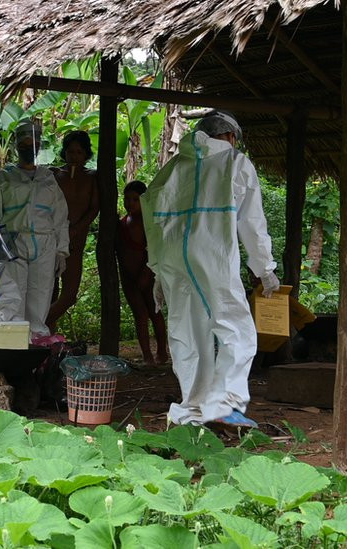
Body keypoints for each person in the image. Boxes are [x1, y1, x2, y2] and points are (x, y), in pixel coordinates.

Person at [141, 110, 279, 429]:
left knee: (186, 330)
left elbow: (151, 215)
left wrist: (158, 268)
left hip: (173, 255)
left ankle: (193, 407)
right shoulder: (235, 162)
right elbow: (251, 222)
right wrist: (265, 269)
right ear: (230, 136)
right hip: (212, 252)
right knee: (235, 325)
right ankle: (224, 404)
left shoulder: (173, 167)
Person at [0, 120, 69, 337]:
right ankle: (14, 340)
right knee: (13, 294)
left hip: (44, 243)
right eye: (25, 145)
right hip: (13, 243)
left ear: (39, 146)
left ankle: (37, 340)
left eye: (34, 145)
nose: (30, 149)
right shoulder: (4, 178)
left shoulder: (48, 178)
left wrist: (61, 251)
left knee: (41, 294)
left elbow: (60, 217)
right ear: (16, 146)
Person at [46, 130, 99, 332]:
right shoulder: (54, 174)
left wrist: (76, 229)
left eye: (79, 152)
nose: (74, 156)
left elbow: (94, 208)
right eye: (70, 152)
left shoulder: (92, 177)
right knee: (48, 292)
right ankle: (46, 338)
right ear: (64, 152)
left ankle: (38, 325)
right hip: (50, 241)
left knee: (69, 296)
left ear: (86, 154)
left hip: (75, 244)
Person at [117, 180, 169, 365]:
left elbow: (155, 250)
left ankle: (162, 352)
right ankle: (147, 356)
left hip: (149, 276)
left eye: (135, 199)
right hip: (129, 279)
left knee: (155, 313)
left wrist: (146, 274)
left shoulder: (150, 223)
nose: (130, 203)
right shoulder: (122, 224)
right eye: (127, 199)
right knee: (140, 315)